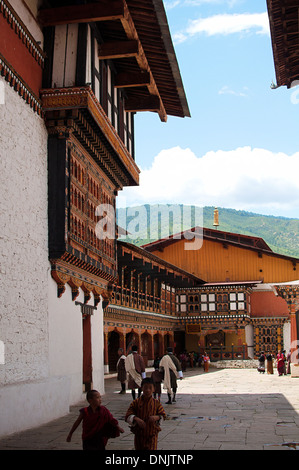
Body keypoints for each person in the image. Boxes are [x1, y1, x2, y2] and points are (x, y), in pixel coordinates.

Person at [125, 378, 166, 450]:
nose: (148, 390)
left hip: (152, 434)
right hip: (139, 434)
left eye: (150, 388)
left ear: (154, 389)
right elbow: (128, 415)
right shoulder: (136, 402)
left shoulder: (156, 403)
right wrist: (136, 419)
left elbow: (162, 415)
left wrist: (156, 417)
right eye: (145, 388)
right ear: (141, 388)